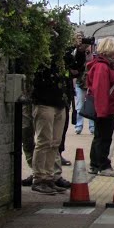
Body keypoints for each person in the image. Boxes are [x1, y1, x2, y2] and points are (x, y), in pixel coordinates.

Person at [30, 55, 72, 194]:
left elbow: (75, 68)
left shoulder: (63, 57)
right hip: (44, 102)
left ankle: (49, 177)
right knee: (44, 142)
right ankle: (39, 178)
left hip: (60, 103)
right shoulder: (40, 57)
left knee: (55, 142)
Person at [87, 37, 114, 176]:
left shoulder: (106, 65)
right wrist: (102, 111)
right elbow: (101, 90)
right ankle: (103, 166)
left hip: (106, 108)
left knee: (99, 136)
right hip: (104, 109)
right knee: (104, 137)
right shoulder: (102, 67)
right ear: (107, 52)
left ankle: (95, 164)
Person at [69, 34, 95, 135]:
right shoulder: (75, 53)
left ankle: (92, 127)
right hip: (81, 83)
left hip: (90, 83)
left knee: (91, 105)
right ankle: (78, 126)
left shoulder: (93, 54)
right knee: (80, 105)